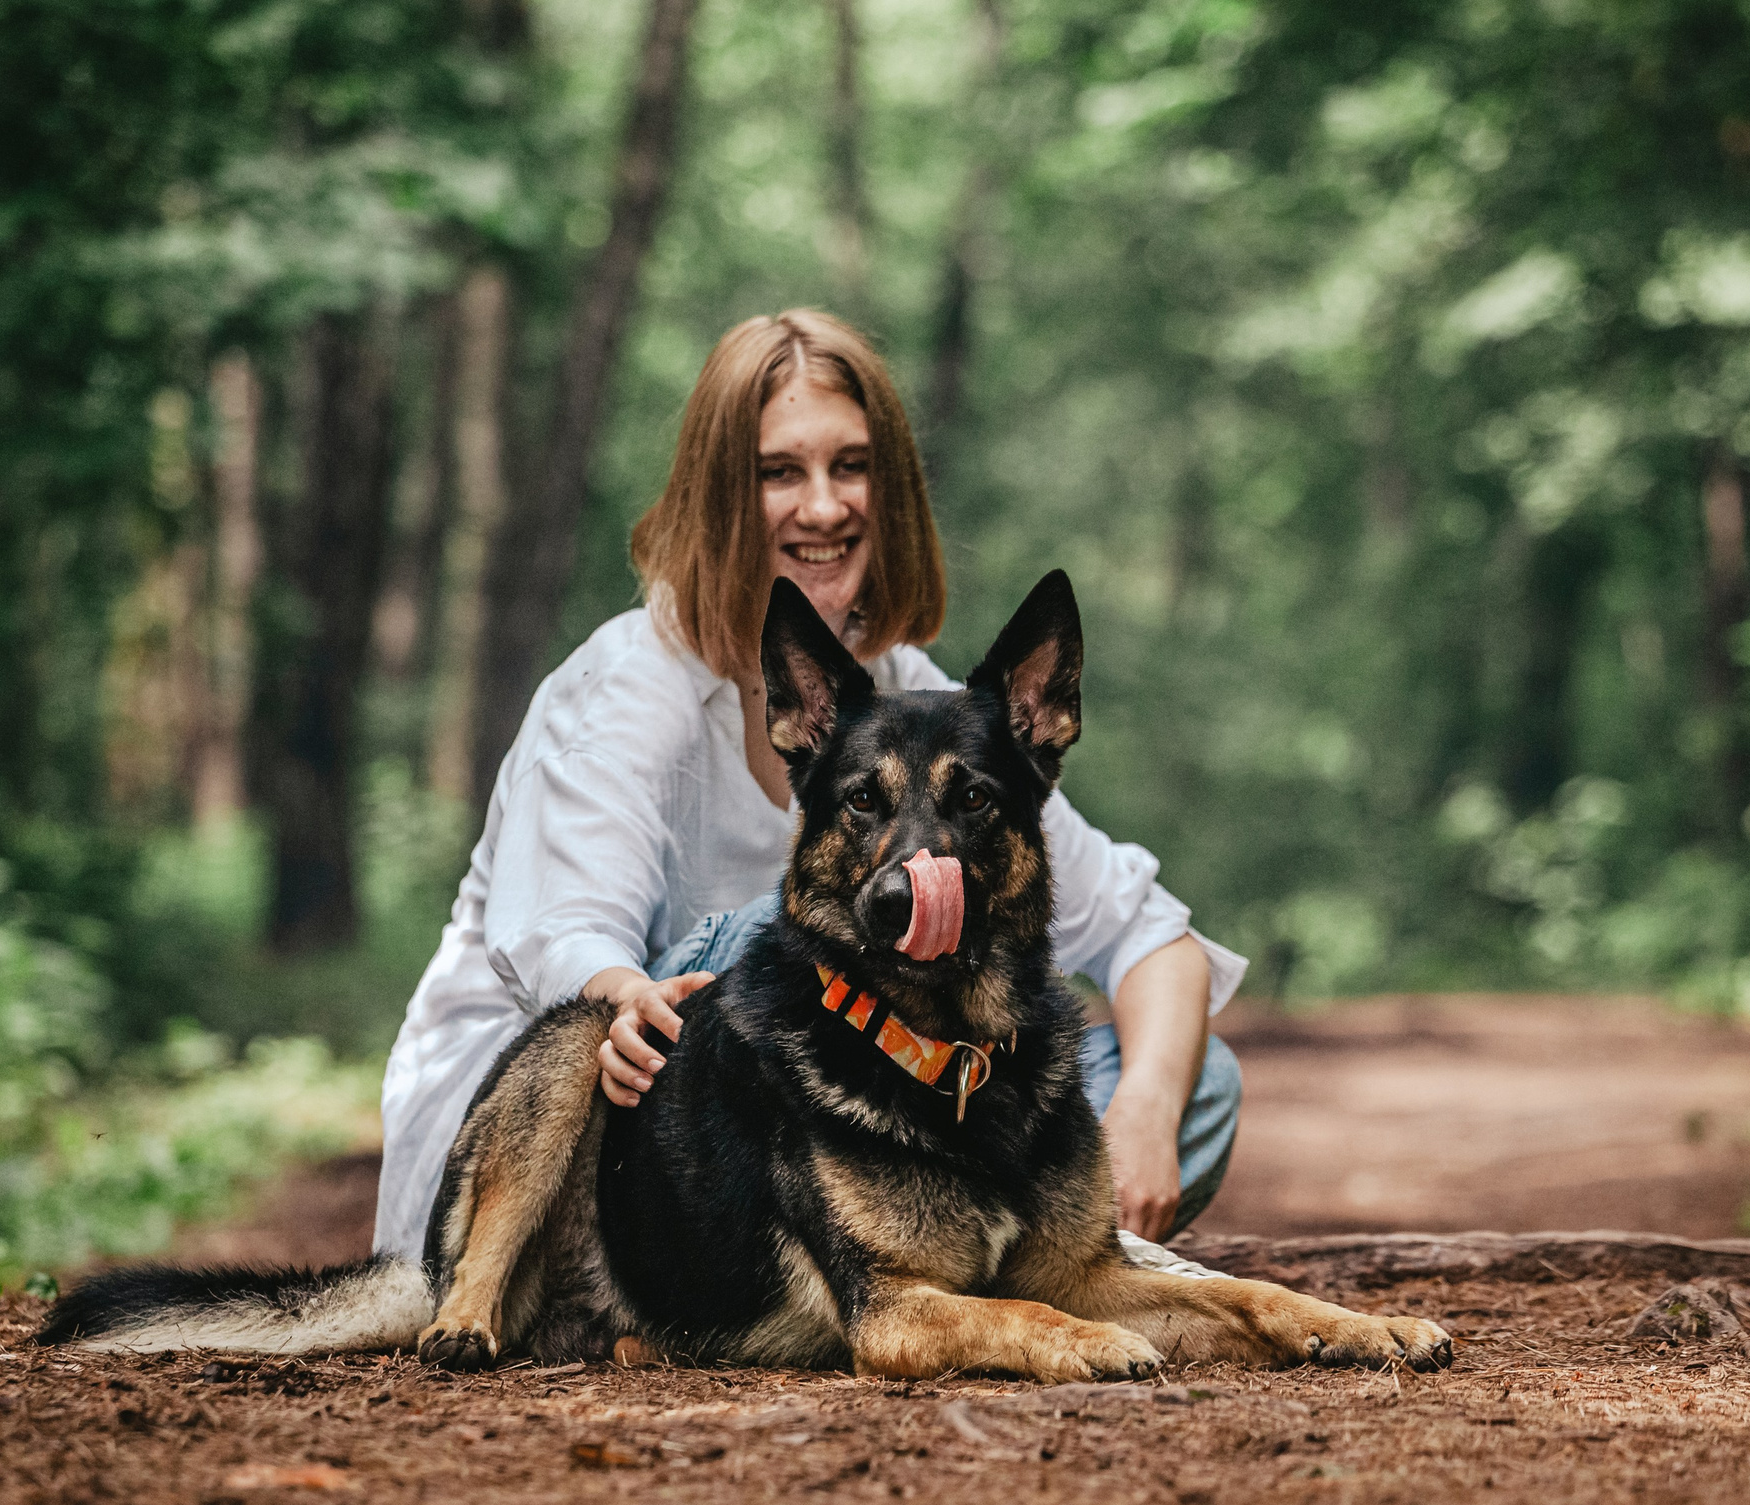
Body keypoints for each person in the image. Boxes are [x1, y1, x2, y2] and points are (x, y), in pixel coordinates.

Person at [374, 309, 1248, 1273]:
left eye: (853, 466)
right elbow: (560, 934)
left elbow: (1149, 934)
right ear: (718, 496)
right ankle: (860, 1274)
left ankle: (937, 1269)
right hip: (565, 1163)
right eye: (779, 472)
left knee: (1192, 1073)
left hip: (802, 1141)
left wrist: (1146, 1114)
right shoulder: (626, 687)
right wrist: (620, 992)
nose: (824, 506)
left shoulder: (908, 701)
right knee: (782, 952)